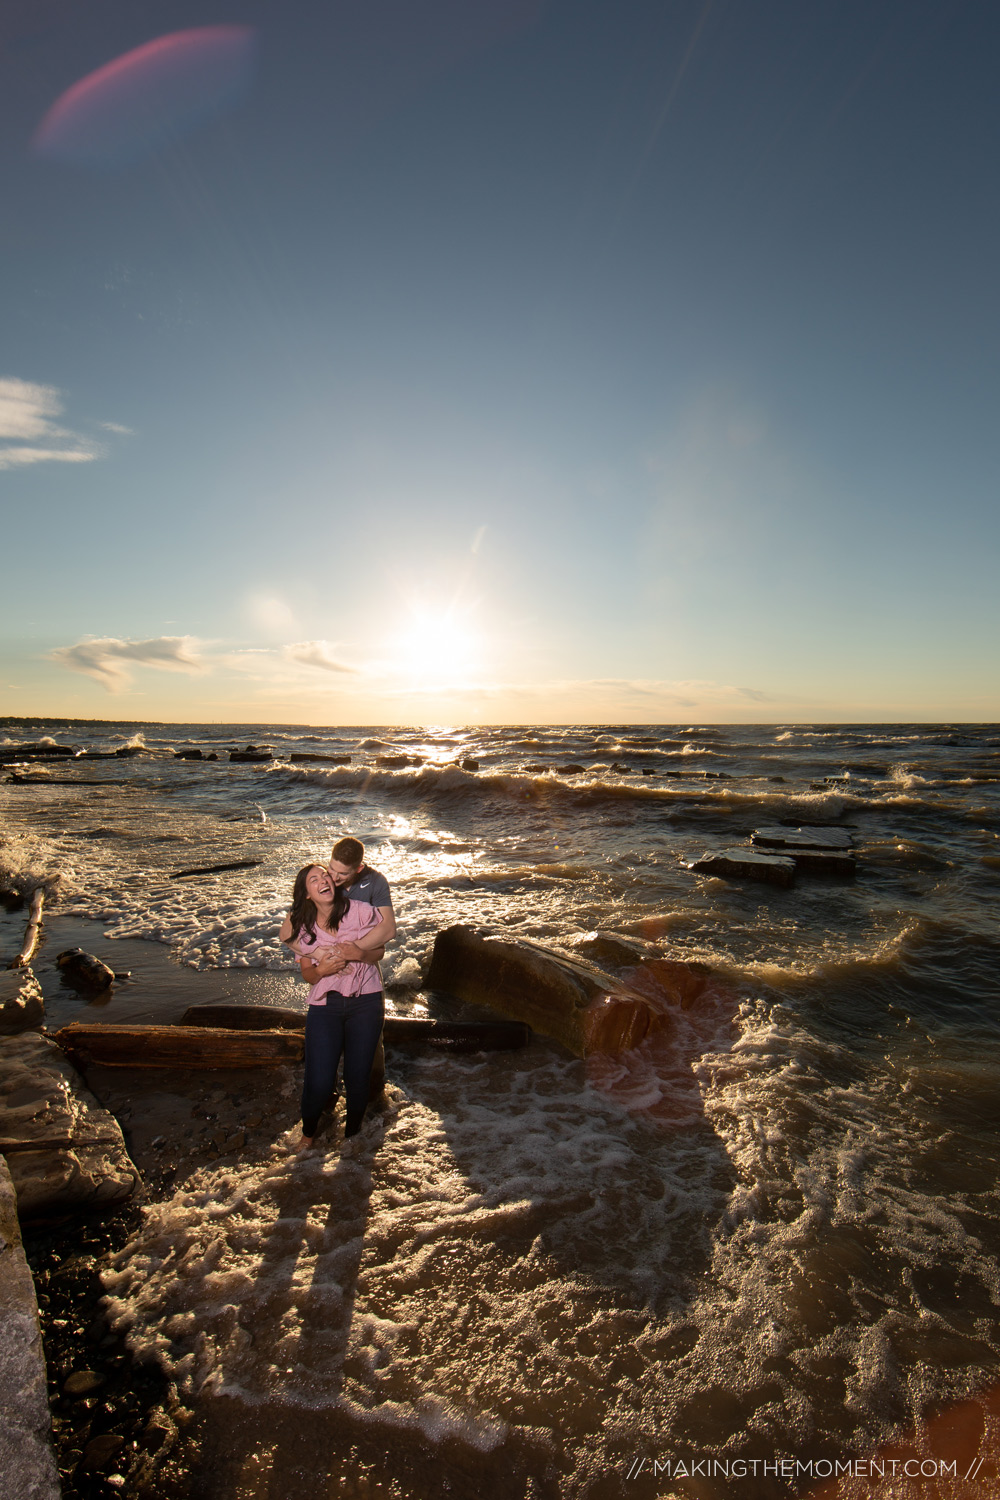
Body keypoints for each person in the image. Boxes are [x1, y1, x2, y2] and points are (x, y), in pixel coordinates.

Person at [282, 863, 387, 1151]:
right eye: (314, 880)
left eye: (325, 875)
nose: (323, 880)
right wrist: (323, 970)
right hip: (325, 1005)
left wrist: (361, 952)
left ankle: (352, 1136)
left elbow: (381, 949)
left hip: (366, 1001)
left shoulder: (359, 909)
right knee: (319, 1079)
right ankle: (308, 1132)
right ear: (306, 894)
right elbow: (308, 974)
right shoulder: (303, 925)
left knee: (357, 1077)